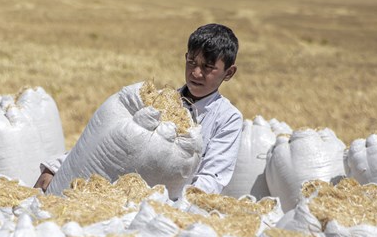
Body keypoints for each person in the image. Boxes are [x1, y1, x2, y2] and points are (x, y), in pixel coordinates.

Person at [34, 23, 242, 194]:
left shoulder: (227, 119)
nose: (196, 73)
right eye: (191, 62)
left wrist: (175, 211)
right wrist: (55, 168)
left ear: (229, 73)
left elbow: (211, 177)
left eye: (208, 67)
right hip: (112, 195)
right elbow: (101, 141)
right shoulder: (155, 102)